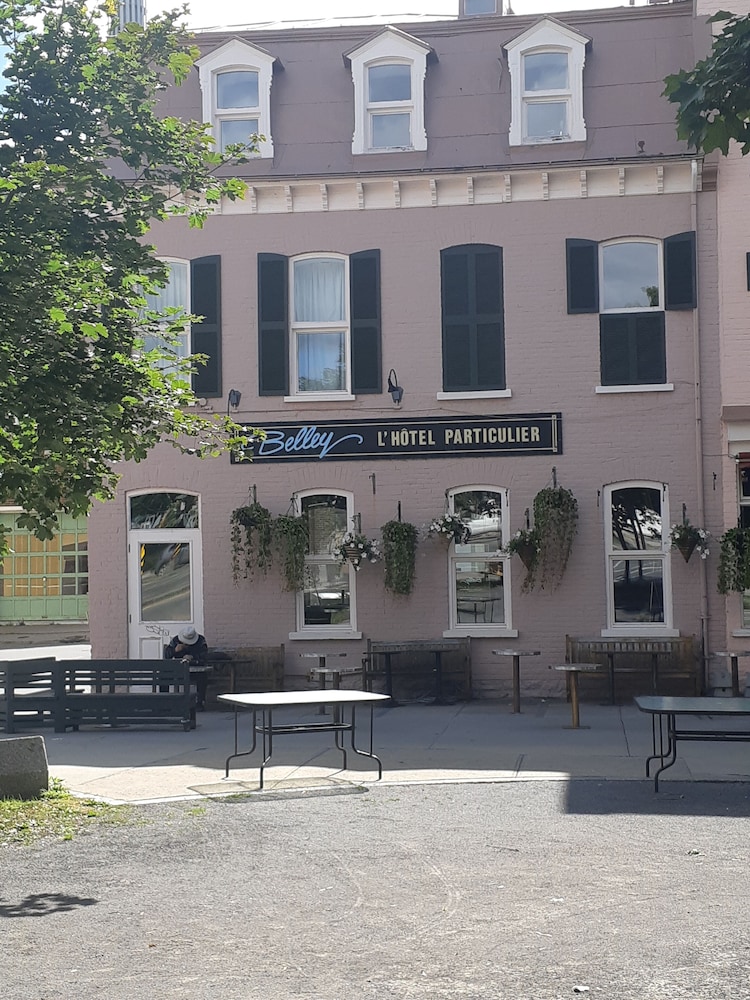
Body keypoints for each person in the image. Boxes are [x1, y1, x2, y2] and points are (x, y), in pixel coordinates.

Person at [165, 626, 210, 710]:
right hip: (178, 671)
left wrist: (193, 657)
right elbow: (166, 655)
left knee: (203, 677)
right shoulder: (175, 640)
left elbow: (204, 656)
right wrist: (174, 650)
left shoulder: (201, 641)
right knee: (163, 676)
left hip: (195, 671)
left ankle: (200, 702)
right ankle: (164, 703)